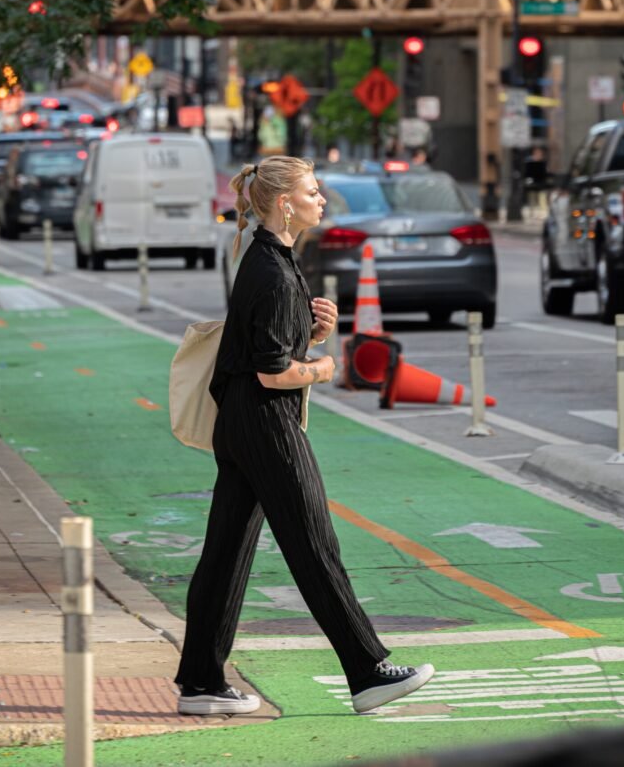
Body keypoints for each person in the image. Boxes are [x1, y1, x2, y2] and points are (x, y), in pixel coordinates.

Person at [174, 155, 435, 716]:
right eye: (313, 191)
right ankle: (367, 672)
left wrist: (311, 331)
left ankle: (200, 682)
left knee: (225, 554)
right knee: (314, 544)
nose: (322, 199)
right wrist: (324, 366)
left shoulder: (271, 258)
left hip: (244, 421)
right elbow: (273, 372)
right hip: (266, 422)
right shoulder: (271, 271)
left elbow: (266, 345)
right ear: (284, 203)